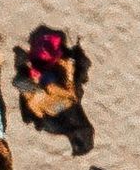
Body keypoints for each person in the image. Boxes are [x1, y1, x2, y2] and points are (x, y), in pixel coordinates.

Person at [11, 25, 91, 153]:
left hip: (39, 92)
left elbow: (34, 107)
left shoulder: (54, 125)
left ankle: (31, 67)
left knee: (21, 78)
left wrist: (38, 92)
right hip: (48, 86)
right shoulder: (68, 112)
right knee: (43, 74)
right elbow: (68, 90)